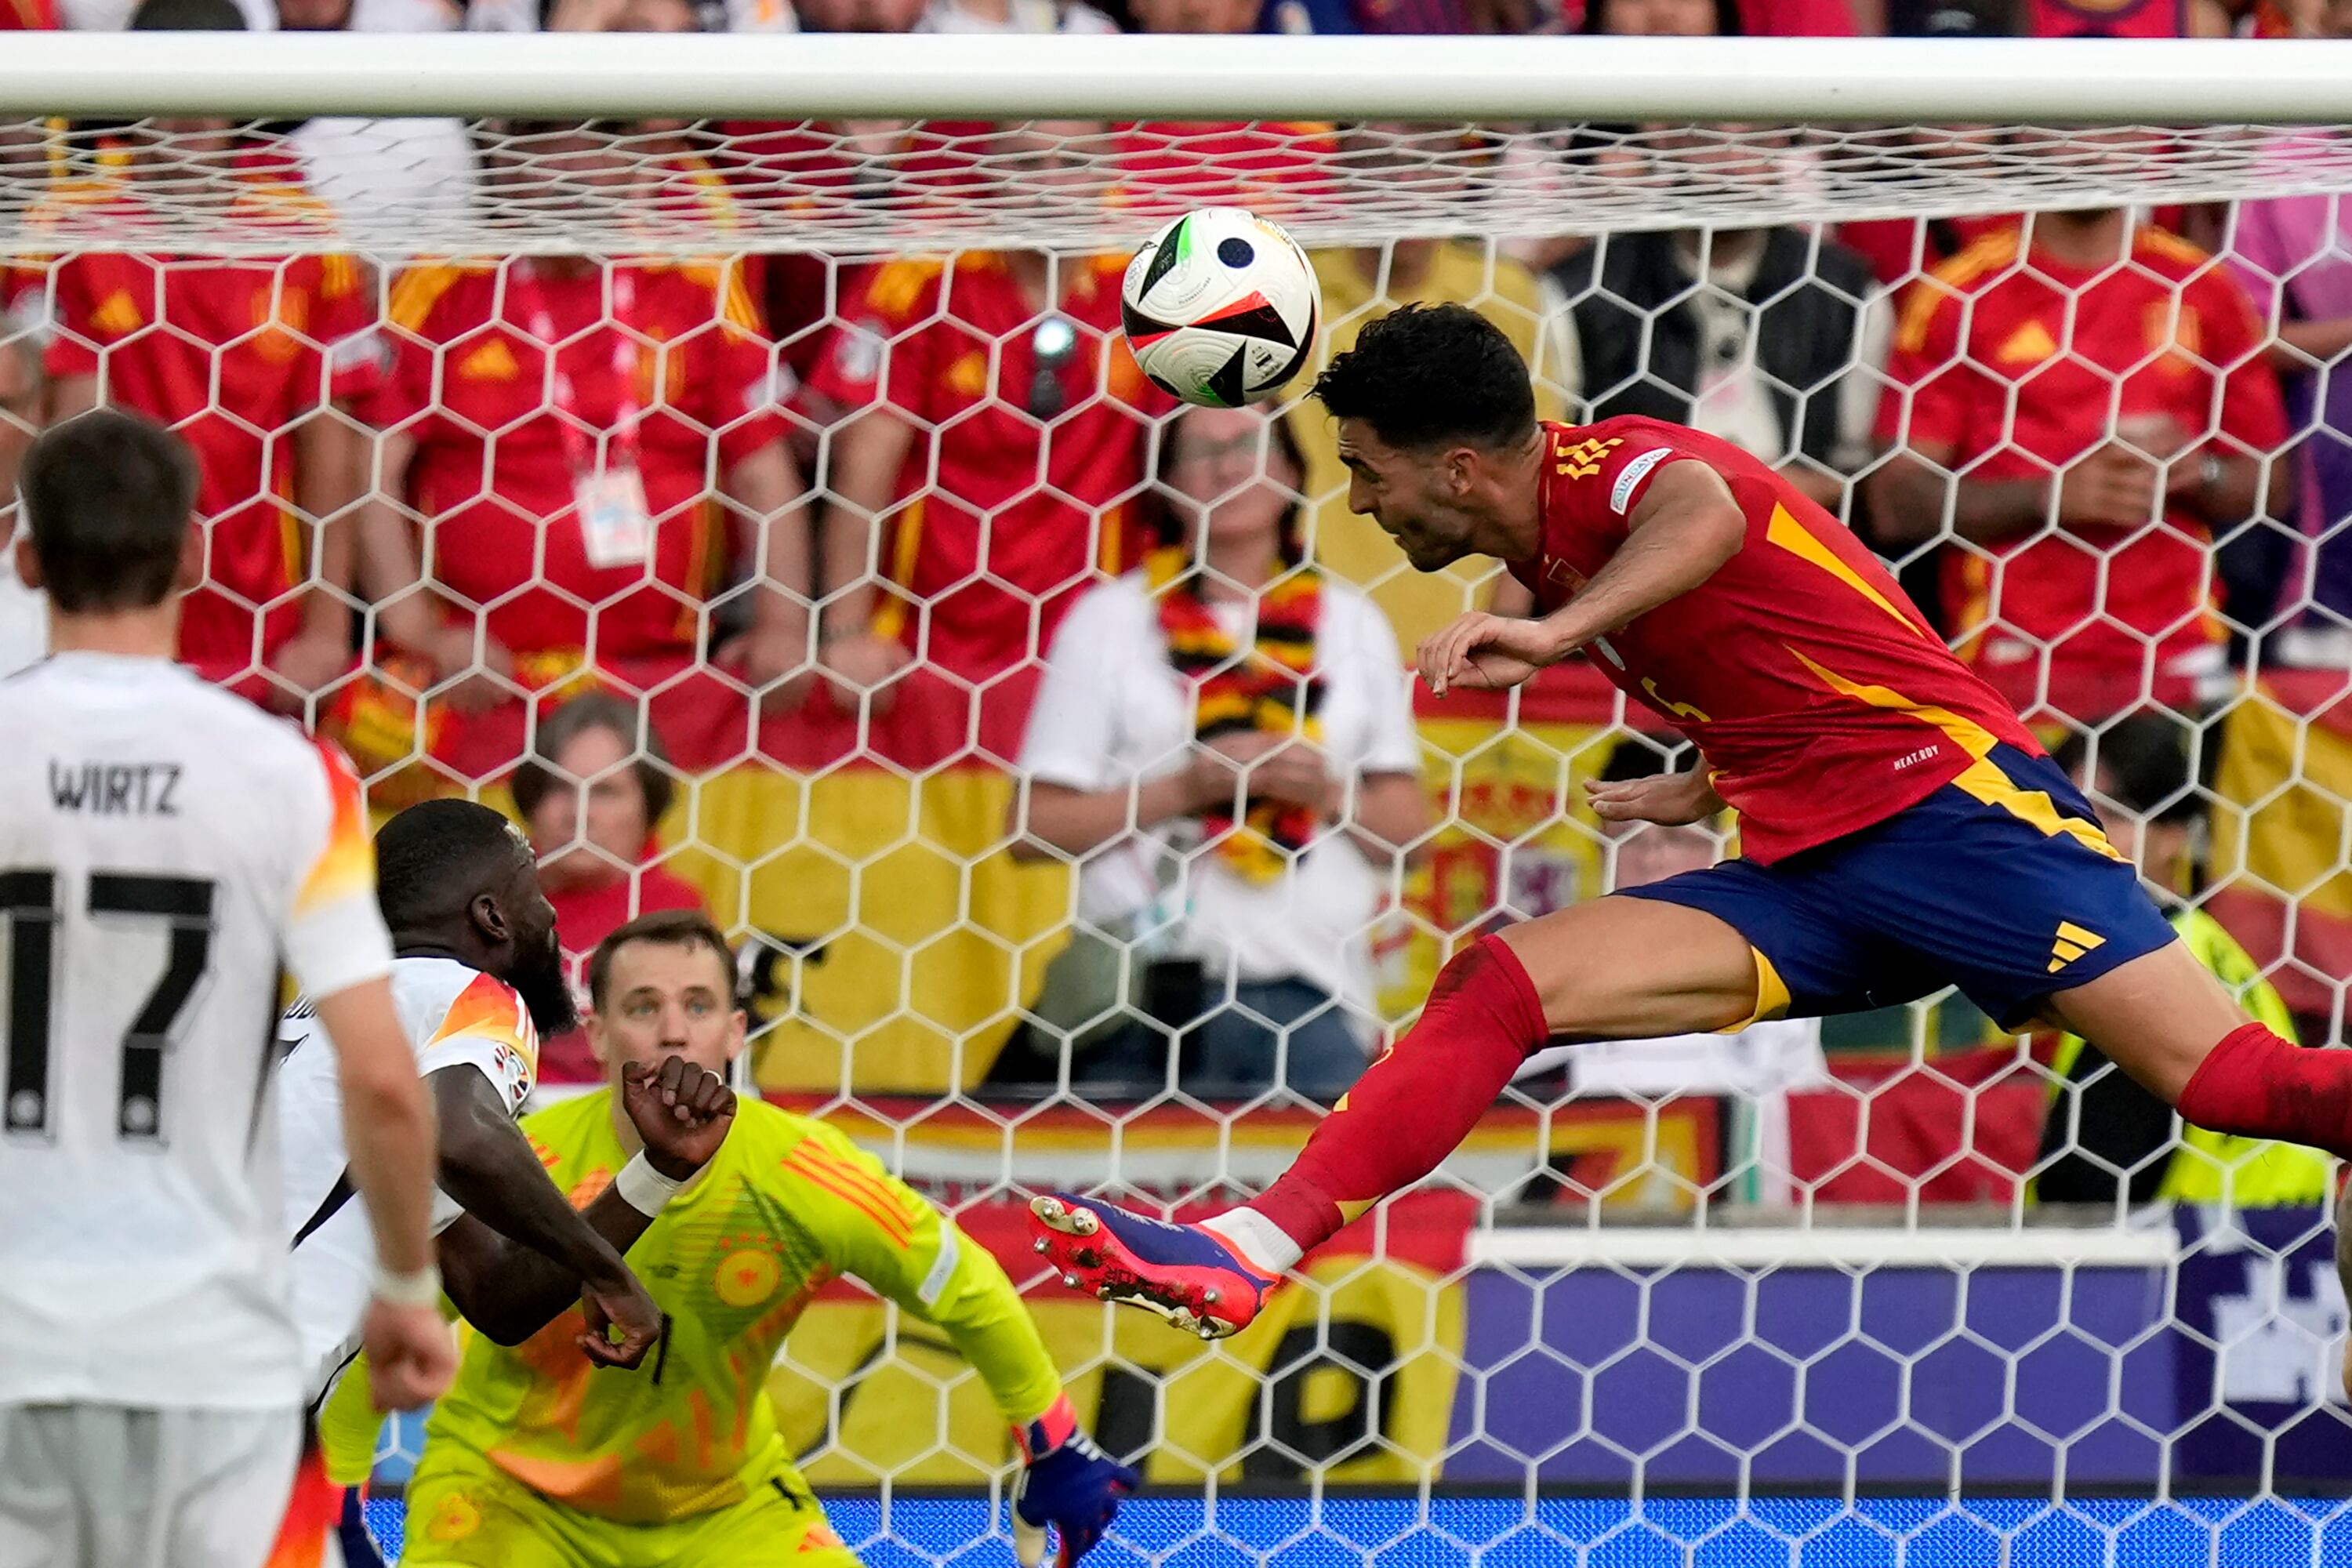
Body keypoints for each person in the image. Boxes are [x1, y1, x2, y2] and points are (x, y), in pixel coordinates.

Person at [1029, 303, 2352, 1341]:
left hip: (1966, 830)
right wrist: (1706, 777)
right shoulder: (1543, 544)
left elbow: (1711, 513)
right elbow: (1798, 652)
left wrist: (1555, 634)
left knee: (2240, 1087)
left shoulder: (1627, 473)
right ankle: (1250, 1251)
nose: (1362, 505)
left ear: (1467, 467)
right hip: (1818, 869)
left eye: (1372, 476)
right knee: (1501, 984)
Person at [0, 408, 450, 1568]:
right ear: (195, 554)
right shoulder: (292, 777)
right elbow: (385, 1080)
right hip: (210, 1357)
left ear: (27, 557)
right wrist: (403, 1286)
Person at [398, 909, 1137, 1568]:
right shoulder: (525, 1166)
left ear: (736, 1032)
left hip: (720, 1511)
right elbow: (387, 1323)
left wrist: (1054, 1436)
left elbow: (961, 1282)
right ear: (595, 1033)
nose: (674, 1030)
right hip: (511, 1495)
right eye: (642, 1006)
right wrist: (338, 1489)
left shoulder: (801, 1173)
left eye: (699, 1005)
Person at [1008, 404, 1428, 1102]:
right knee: (1121, 1203)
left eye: (1251, 446)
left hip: (1312, 995)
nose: (1229, 466)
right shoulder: (1109, 620)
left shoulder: (1354, 622)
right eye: (1201, 452)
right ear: (1166, 480)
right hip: (1142, 996)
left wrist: (1324, 794)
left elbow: (1409, 839)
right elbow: (1029, 829)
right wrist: (1188, 788)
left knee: (1329, 1203)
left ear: (1294, 471)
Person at [356, 123, 812, 729]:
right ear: (507, 153)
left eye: (601, 140)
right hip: (479, 673)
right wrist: (418, 630)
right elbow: (368, 471)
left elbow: (763, 469)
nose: (573, 165)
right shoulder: (441, 284)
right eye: (549, 139)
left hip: (662, 671)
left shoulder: (697, 285)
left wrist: (783, 625)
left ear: (639, 160)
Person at [28, 0, 377, 706]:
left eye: (208, 91)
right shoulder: (67, 226)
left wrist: (325, 625)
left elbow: (330, 441)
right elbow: (56, 423)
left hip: (266, 626)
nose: (189, 114)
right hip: (114, 616)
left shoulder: (307, 233)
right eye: (169, 89)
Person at [810, 122, 1168, 756]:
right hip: (926, 638)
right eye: (1027, 165)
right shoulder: (925, 268)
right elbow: (867, 456)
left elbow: (1199, 453)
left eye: (1075, 162)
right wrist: (845, 629)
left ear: (1114, 167)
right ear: (986, 172)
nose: (1052, 188)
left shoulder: (1156, 280)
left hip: (1100, 640)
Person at [1871, 203, 2288, 724]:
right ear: (2026, 130)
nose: (2091, 135)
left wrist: (2197, 472)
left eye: (2113, 124)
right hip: (2007, 657)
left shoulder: (2201, 284)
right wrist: (2049, 498)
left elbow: (2271, 484)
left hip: (2176, 650)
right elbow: (1891, 504)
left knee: (2168, 807)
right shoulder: (1958, 291)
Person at [1513, 737, 1828, 1207]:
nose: (1654, 859)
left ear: (1724, 846)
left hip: (1737, 1207)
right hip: (1580, 1204)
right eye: (1631, 841)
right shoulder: (1549, 968)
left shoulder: (1774, 965)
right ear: (1600, 853)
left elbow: (1801, 1117)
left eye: (1677, 838)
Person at [2034, 717, 2332, 1209]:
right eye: (2060, 810)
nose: (2076, 834)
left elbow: (2087, 1194)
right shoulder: (2202, 944)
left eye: (2110, 813)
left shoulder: (2133, 964)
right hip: (2276, 1252)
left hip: (2188, 1267)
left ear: (2173, 834)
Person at [510, 693, 709, 1083]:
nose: (579, 812)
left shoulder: (674, 918)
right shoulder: (488, 907)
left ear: (649, 807)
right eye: (558, 788)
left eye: (605, 792)